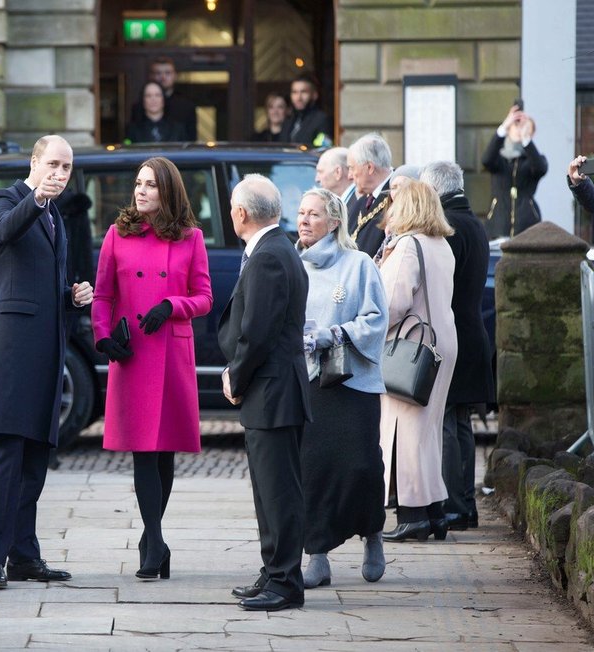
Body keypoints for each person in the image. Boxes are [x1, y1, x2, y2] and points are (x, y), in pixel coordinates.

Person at [0, 135, 94, 590]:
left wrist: (71, 296)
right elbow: (3, 232)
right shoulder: (5, 199)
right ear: (34, 162)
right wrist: (36, 197)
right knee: (9, 450)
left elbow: (44, 282)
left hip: (49, 347)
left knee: (36, 455)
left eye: (66, 167)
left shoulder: (56, 218)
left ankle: (24, 556)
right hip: (12, 348)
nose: (60, 174)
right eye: (53, 164)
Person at [92, 157, 212, 579]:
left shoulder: (190, 238)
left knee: (164, 452)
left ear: (168, 193)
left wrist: (171, 305)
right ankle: (155, 543)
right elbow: (103, 294)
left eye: (150, 185)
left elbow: (204, 297)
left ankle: (151, 539)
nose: (140, 191)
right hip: (133, 353)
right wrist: (103, 336)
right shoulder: (116, 234)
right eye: (138, 184)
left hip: (172, 352)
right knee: (143, 449)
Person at [220, 174, 310, 612]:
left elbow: (257, 333)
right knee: (268, 489)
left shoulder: (270, 257)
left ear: (241, 213)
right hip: (273, 392)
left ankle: (286, 581)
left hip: (272, 392)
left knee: (278, 492)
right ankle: (274, 569)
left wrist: (234, 378)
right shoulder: (276, 249)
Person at [294, 187, 388, 588]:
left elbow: (375, 318)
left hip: (353, 383)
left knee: (361, 465)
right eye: (300, 213)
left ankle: (373, 534)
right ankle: (317, 554)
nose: (304, 220)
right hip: (309, 381)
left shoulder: (359, 264)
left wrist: (335, 333)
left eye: (313, 214)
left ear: (334, 222)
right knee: (313, 469)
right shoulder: (292, 264)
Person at [376, 180, 457, 542]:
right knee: (427, 434)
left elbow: (392, 303)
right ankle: (435, 513)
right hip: (439, 345)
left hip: (409, 347)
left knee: (406, 434)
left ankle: (412, 516)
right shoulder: (441, 244)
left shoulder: (408, 246)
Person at [420, 161, 493, 532]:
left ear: (433, 190)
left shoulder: (448, 226)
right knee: (459, 423)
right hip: (471, 333)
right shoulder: (473, 222)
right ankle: (464, 507)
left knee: (447, 422)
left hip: (453, 335)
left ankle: (453, 505)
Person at [481, 104, 548, 239]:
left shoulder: (534, 159)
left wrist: (526, 140)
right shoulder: (499, 158)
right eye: (516, 125)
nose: (519, 129)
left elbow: (540, 168)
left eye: (524, 126)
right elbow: (486, 160)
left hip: (527, 224)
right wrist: (504, 127)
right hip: (497, 222)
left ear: (532, 133)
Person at [346, 133, 394, 257]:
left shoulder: (398, 198)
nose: (349, 176)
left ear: (369, 167)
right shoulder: (362, 201)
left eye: (352, 168)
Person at [130, 57, 197, 141]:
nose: (163, 77)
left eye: (167, 73)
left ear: (175, 75)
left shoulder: (186, 106)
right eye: (158, 73)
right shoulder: (138, 107)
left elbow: (191, 140)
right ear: (151, 76)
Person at [279, 74, 332, 148]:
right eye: (294, 92)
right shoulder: (288, 120)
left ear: (314, 95)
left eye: (304, 92)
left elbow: (323, 148)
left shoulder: (321, 119)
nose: (298, 97)